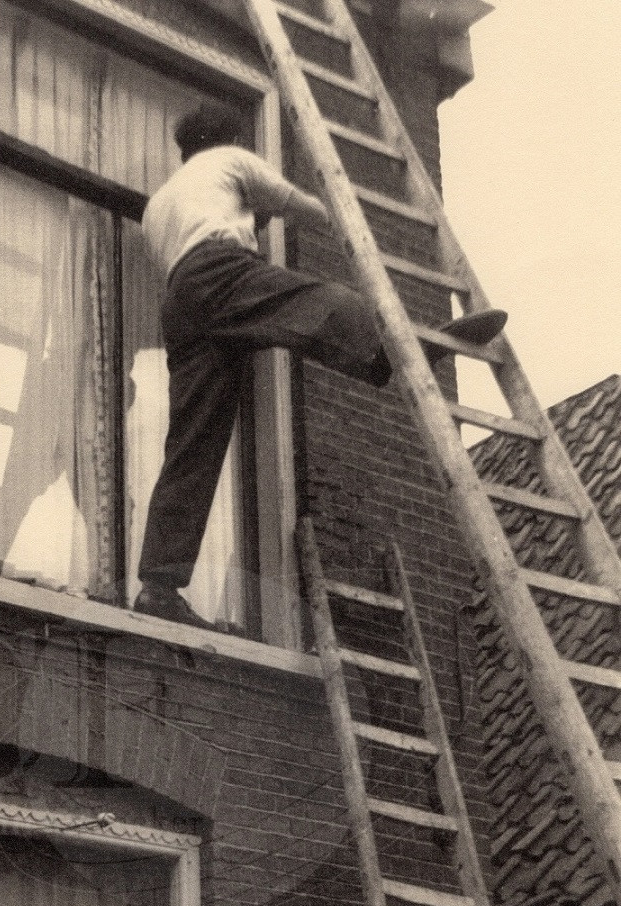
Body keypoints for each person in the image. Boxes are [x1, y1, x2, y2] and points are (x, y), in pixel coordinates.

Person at [133, 101, 506, 628]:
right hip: (220, 268)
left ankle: (158, 585)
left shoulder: (158, 205)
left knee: (192, 446)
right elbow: (292, 203)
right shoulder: (230, 161)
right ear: (228, 139)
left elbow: (189, 252)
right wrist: (346, 221)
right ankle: (394, 349)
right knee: (318, 301)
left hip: (181, 303)